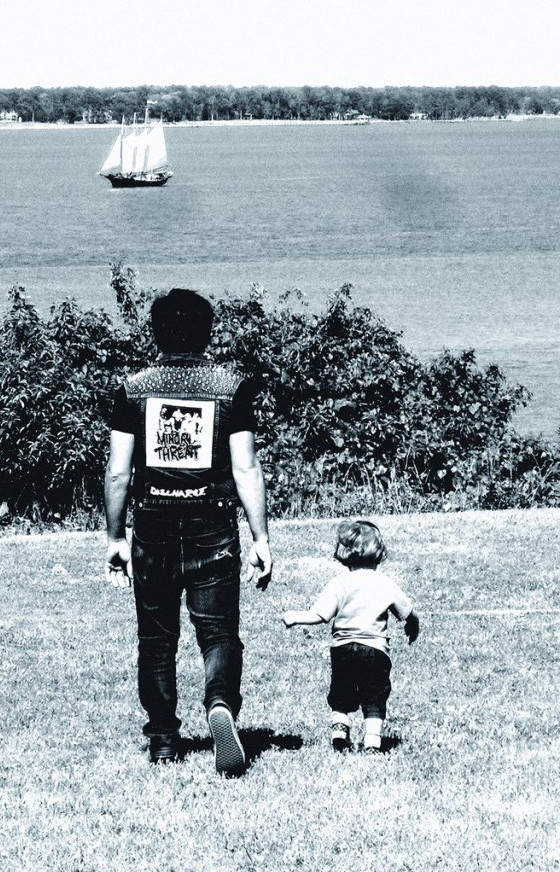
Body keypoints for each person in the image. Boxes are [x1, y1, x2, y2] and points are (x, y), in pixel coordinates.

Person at [103, 288, 272, 775]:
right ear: (207, 332)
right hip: (212, 524)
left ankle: (162, 739)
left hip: (152, 525)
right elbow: (246, 469)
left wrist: (115, 538)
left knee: (156, 640)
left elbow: (118, 472)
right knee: (219, 633)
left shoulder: (131, 389)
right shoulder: (233, 388)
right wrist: (260, 538)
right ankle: (219, 702)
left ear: (156, 332)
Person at [282, 519, 419, 752]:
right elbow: (407, 612)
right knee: (374, 695)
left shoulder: (339, 583)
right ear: (379, 553)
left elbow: (321, 614)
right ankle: (373, 742)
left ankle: (339, 733)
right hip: (375, 650)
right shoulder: (384, 583)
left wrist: (295, 617)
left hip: (343, 649)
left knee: (341, 692)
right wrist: (413, 626)